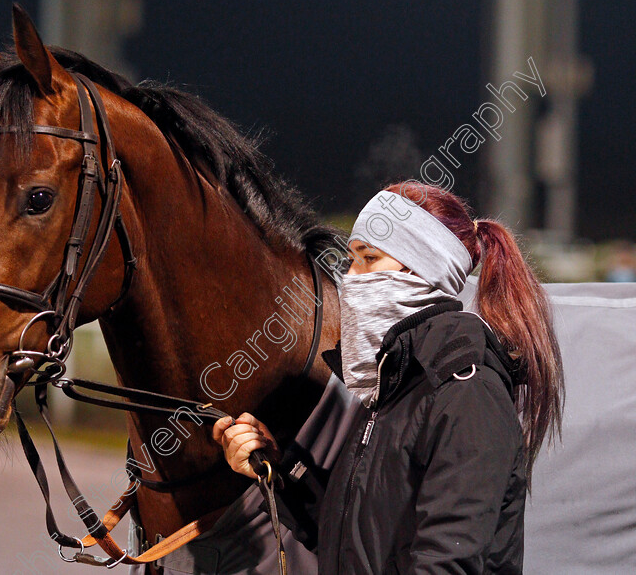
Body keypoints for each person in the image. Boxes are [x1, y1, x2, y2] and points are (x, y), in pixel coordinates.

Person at [212, 181, 564, 574]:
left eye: (369, 258)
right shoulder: (391, 386)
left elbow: (447, 561)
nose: (351, 277)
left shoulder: (467, 392)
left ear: (424, 267)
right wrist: (276, 473)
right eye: (351, 260)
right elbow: (356, 540)